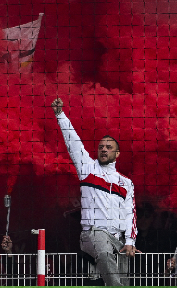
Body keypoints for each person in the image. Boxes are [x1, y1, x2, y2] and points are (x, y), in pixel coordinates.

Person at [52, 97, 137, 286]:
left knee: (122, 277)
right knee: (105, 253)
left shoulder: (126, 183)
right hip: (92, 234)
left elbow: (130, 214)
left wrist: (130, 241)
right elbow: (73, 141)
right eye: (101, 147)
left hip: (118, 238)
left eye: (109, 147)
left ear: (117, 154)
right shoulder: (87, 168)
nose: (104, 150)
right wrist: (60, 115)